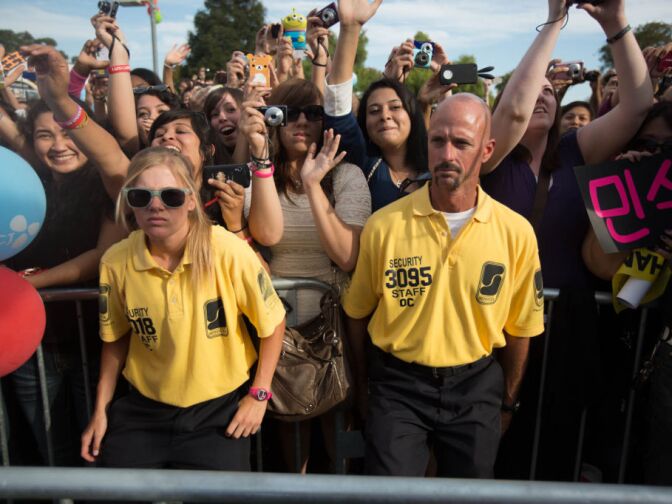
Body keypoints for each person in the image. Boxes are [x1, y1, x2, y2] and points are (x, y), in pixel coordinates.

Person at [479, 0, 653, 481]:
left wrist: (615, 24)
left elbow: (639, 105)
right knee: (499, 445)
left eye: (550, 94)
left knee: (554, 448)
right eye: (531, 87)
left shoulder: (577, 151)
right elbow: (513, 110)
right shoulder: (492, 161)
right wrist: (556, 21)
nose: (541, 97)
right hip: (497, 330)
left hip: (567, 333)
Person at [343, 93, 544, 478]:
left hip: (476, 387)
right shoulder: (384, 225)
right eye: (438, 140)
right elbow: (356, 313)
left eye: (462, 143)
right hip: (397, 387)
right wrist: (365, 389)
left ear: (486, 150)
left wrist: (506, 404)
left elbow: (522, 330)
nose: (446, 153)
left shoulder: (516, 233)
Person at [80, 147, 286, 469]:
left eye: (171, 196)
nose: (156, 205)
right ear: (129, 202)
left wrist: (259, 394)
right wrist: (100, 412)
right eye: (141, 196)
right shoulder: (116, 261)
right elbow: (116, 338)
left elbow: (273, 324)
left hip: (218, 413)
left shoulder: (228, 251)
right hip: (143, 411)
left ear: (191, 200)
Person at [20, 39, 283, 247]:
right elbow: (108, 155)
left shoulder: (229, 194)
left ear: (207, 151)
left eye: (181, 131)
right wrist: (60, 102)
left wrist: (236, 224)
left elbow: (266, 248)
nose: (167, 136)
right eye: (159, 134)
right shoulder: (139, 194)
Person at [240, 78, 371, 472]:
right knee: (291, 443)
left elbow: (347, 256)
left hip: (335, 328)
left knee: (338, 443)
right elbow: (268, 234)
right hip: (280, 330)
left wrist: (315, 184)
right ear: (272, 118)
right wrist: (261, 156)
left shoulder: (346, 176)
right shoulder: (257, 174)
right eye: (289, 112)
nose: (301, 122)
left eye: (313, 114)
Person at [4, 98, 122, 465]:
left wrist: (34, 285)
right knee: (53, 454)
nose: (58, 145)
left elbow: (102, 256)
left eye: (69, 133)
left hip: (93, 345)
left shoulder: (108, 189)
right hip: (31, 348)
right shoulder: (21, 187)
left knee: (99, 452)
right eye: (44, 135)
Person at [319, 0, 431, 212]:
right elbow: (338, 105)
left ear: (412, 115)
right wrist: (350, 29)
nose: (385, 116)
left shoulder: (435, 163)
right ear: (365, 124)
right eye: (374, 111)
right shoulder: (363, 163)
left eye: (395, 107)